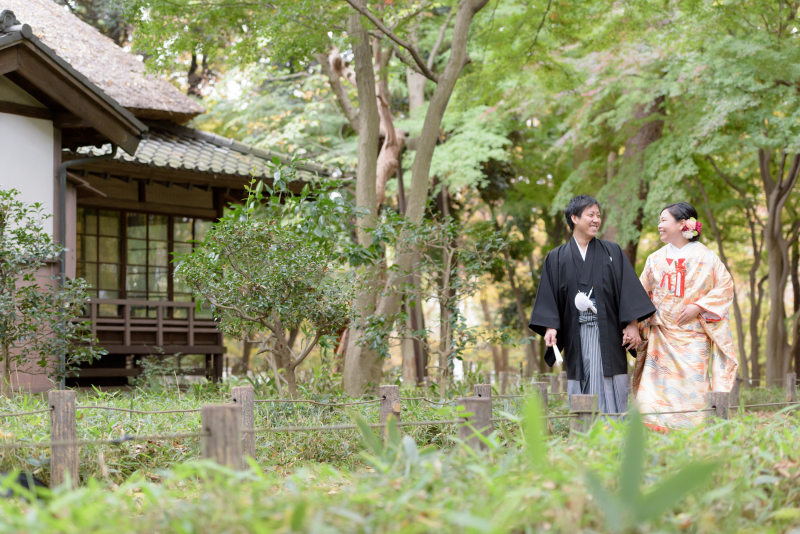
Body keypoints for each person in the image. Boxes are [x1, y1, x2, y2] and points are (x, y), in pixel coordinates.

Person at [529, 195, 656, 416]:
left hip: (609, 332)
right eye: (591, 215)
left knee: (610, 375)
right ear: (574, 218)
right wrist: (550, 327)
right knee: (581, 375)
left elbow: (628, 290)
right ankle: (584, 429)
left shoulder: (612, 252)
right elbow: (549, 297)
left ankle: (612, 428)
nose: (596, 219)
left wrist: (632, 324)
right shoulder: (556, 257)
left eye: (598, 215)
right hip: (575, 333)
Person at [634, 202, 739, 429]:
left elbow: (725, 287)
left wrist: (699, 306)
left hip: (694, 337)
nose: (659, 225)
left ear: (682, 223)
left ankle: (692, 436)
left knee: (693, 388)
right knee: (654, 392)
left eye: (663, 220)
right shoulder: (654, 259)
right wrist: (633, 325)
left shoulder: (707, 257)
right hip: (661, 337)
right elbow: (640, 293)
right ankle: (655, 437)